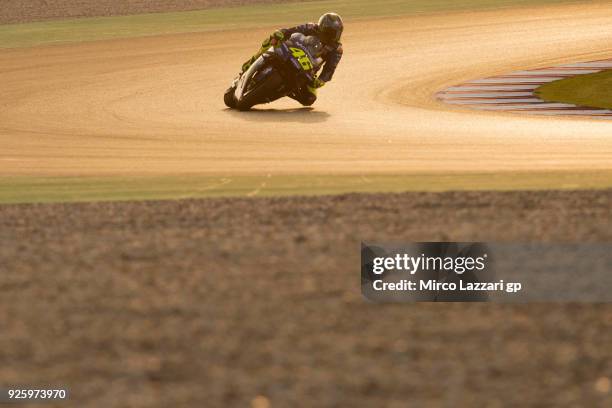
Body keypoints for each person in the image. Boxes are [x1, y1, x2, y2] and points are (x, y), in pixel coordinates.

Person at [234, 12, 344, 106]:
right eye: (332, 32)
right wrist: (281, 33)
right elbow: (292, 31)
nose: (334, 36)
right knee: (272, 40)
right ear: (323, 28)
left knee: (309, 99)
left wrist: (320, 81)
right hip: (293, 52)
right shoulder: (311, 27)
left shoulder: (337, 50)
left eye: (337, 33)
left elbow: (329, 69)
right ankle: (252, 60)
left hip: (308, 70)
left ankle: (285, 91)